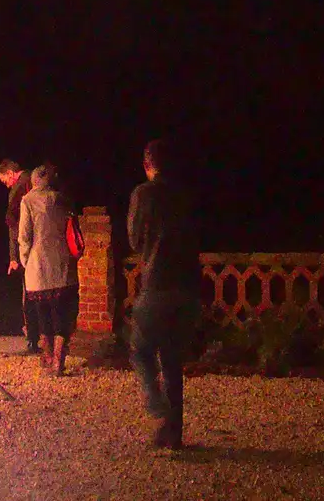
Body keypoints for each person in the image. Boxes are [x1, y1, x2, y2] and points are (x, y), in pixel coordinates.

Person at [126, 139, 199, 450]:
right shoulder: (185, 194)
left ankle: (155, 401)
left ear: (147, 165)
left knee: (140, 348)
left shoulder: (144, 193)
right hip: (188, 284)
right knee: (171, 360)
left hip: (157, 282)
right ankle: (173, 433)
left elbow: (133, 239)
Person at [16, 163, 78, 375]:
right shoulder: (62, 199)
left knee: (42, 313)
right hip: (63, 263)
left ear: (34, 181)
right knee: (62, 312)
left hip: (38, 263)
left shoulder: (28, 201)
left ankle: (48, 357)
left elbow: (24, 236)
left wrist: (25, 260)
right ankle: (59, 361)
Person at [0, 158, 37, 353]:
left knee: (28, 293)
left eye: (5, 181)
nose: (6, 185)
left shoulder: (17, 191)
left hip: (27, 248)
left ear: (11, 174)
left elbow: (12, 225)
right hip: (45, 247)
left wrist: (13, 256)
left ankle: (32, 337)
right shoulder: (35, 182)